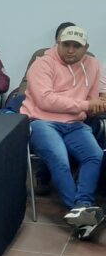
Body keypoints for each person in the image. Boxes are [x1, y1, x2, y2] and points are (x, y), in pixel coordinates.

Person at [21, 26, 105, 230]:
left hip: (75, 124)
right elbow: (45, 101)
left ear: (86, 48)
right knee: (60, 159)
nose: (70, 50)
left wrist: (98, 105)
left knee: (94, 156)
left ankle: (82, 206)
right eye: (66, 44)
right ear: (58, 44)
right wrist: (86, 106)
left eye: (76, 46)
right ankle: (78, 209)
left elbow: (92, 99)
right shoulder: (42, 64)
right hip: (41, 121)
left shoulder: (93, 65)